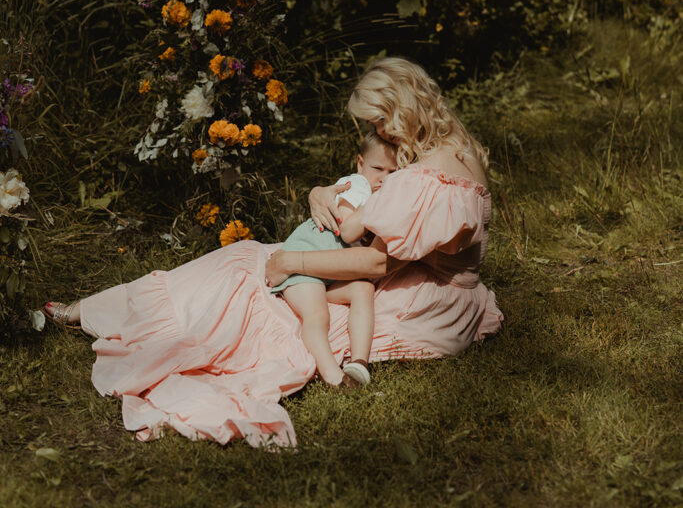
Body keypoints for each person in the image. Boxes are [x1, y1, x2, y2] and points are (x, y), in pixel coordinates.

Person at [44, 56, 503, 448]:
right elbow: (368, 200)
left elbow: (377, 261)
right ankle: (102, 309)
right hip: (422, 279)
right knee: (245, 258)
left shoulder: (428, 177)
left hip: (421, 298)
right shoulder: (451, 146)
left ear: (399, 112)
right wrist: (321, 193)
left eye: (378, 121)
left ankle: (118, 317)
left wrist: (291, 261)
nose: (375, 131)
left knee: (259, 291)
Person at [271, 130, 397, 389]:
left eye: (393, 172)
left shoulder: (382, 193)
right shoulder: (356, 185)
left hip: (328, 271)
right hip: (303, 263)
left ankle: (360, 362)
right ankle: (335, 378)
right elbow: (349, 230)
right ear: (361, 164)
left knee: (364, 288)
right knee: (318, 316)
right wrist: (377, 203)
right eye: (378, 168)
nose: (384, 179)